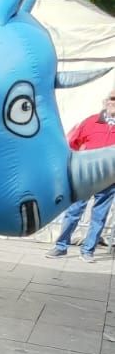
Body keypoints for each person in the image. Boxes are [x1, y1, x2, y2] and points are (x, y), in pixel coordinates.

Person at [48, 88, 115, 261]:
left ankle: (88, 251)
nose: (114, 102)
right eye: (112, 98)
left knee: (99, 216)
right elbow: (72, 143)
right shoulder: (90, 122)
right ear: (106, 101)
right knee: (73, 212)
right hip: (85, 177)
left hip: (109, 180)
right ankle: (61, 246)